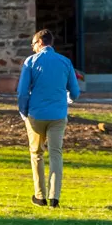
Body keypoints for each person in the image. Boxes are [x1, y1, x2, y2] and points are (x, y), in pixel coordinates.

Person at [17, 29, 80, 208]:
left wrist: (23, 111)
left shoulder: (31, 62)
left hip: (36, 114)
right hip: (58, 115)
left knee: (36, 154)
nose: (33, 48)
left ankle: (40, 195)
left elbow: (22, 92)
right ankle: (54, 197)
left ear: (39, 42)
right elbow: (75, 92)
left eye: (33, 44)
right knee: (56, 154)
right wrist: (66, 100)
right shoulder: (65, 62)